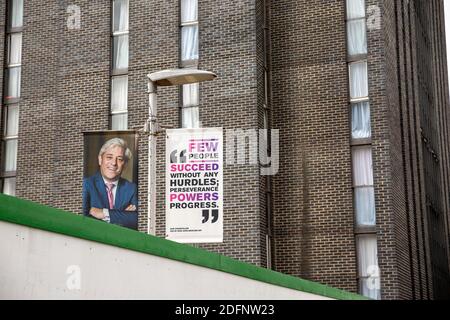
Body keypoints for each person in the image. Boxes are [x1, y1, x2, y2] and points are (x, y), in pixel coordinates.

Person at [83, 137, 138, 230]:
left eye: (119, 159)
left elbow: (136, 219)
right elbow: (83, 219)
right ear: (100, 159)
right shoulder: (86, 185)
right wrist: (122, 216)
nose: (114, 163)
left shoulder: (132, 189)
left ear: (124, 164)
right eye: (109, 157)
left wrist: (104, 213)